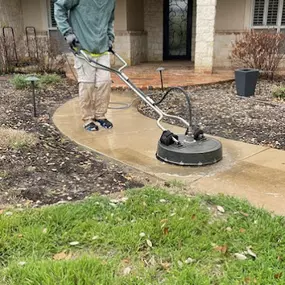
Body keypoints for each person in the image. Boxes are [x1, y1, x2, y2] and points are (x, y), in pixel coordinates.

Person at [54, 0, 116, 131]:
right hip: (82, 48)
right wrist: (67, 32)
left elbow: (110, 20)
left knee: (105, 83)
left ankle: (100, 116)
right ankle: (88, 119)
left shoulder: (110, 1)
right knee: (87, 85)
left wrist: (110, 37)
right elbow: (59, 7)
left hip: (102, 48)